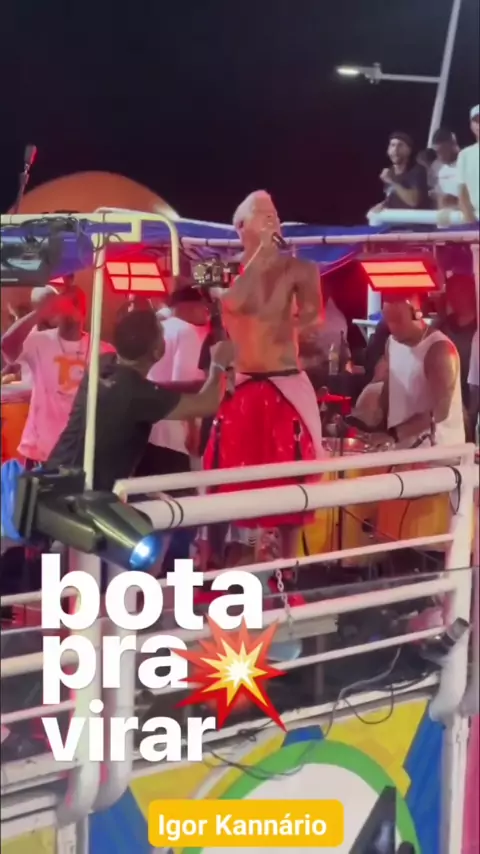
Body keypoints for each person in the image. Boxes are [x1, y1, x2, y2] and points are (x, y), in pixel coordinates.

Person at [202, 190, 324, 564]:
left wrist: (295, 323)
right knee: (225, 480)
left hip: (284, 384)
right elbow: (234, 300)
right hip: (241, 386)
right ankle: (218, 560)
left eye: (275, 213)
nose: (273, 219)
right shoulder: (215, 268)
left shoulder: (302, 269)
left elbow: (314, 316)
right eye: (263, 214)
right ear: (241, 227)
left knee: (290, 486)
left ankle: (287, 567)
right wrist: (259, 257)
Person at [48, 307, 233, 491]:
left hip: (55, 474)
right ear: (156, 351)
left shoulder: (103, 363)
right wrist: (218, 364)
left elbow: (149, 390)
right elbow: (208, 403)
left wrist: (196, 384)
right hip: (76, 493)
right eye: (162, 335)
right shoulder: (136, 395)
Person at [1, 283, 113, 466]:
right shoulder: (39, 341)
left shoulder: (103, 350)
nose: (68, 307)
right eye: (63, 301)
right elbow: (7, 346)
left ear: (84, 310)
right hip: (41, 451)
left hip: (81, 452)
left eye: (74, 302)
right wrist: (40, 311)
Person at [358, 292, 465, 449]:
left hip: (439, 453)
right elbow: (388, 390)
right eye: (388, 319)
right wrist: (369, 419)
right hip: (403, 448)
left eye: (398, 319)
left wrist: (393, 434)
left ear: (417, 314)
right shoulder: (391, 343)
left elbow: (439, 412)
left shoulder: (439, 350)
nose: (392, 327)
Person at [136, 284, 209, 478]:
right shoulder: (186, 332)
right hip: (173, 436)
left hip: (147, 433)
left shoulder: (157, 329)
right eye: (203, 308)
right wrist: (192, 429)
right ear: (188, 306)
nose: (207, 314)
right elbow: (183, 384)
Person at [434, 274, 477, 411]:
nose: (455, 297)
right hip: (446, 401)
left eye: (460, 291)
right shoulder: (441, 326)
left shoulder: (477, 329)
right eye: (451, 292)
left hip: (473, 400)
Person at [373, 132, 430, 212]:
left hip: (412, 219)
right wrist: (383, 204)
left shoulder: (417, 170)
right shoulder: (390, 171)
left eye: (400, 145)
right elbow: (393, 197)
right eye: (392, 145)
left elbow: (413, 201)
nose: (395, 149)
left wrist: (392, 182)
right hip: (394, 219)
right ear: (388, 150)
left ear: (409, 150)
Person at [458, 105, 479, 223]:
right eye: (476, 121)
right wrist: (470, 219)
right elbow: (462, 190)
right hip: (476, 219)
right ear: (471, 125)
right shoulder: (464, 154)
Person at [429, 128, 460, 209]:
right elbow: (432, 189)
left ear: (452, 146)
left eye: (443, 151)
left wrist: (455, 199)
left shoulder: (468, 162)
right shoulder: (436, 166)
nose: (440, 156)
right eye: (437, 152)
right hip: (443, 213)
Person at [468, 329, 479, 440]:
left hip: (474, 381)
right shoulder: (477, 335)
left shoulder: (477, 335)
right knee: (472, 417)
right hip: (475, 381)